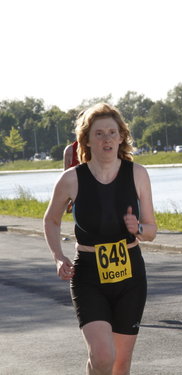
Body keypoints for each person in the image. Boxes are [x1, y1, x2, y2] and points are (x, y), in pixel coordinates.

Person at [43, 103, 157, 374]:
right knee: (103, 356)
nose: (107, 139)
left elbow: (151, 230)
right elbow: (51, 220)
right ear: (87, 140)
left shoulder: (137, 173)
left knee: (120, 363)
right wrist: (58, 257)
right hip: (89, 275)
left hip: (130, 274)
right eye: (99, 134)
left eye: (112, 133)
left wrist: (138, 228)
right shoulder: (71, 179)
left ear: (121, 137)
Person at [63, 140, 80, 213]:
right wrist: (67, 199)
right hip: (76, 194)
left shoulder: (97, 147)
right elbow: (65, 178)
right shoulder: (70, 150)